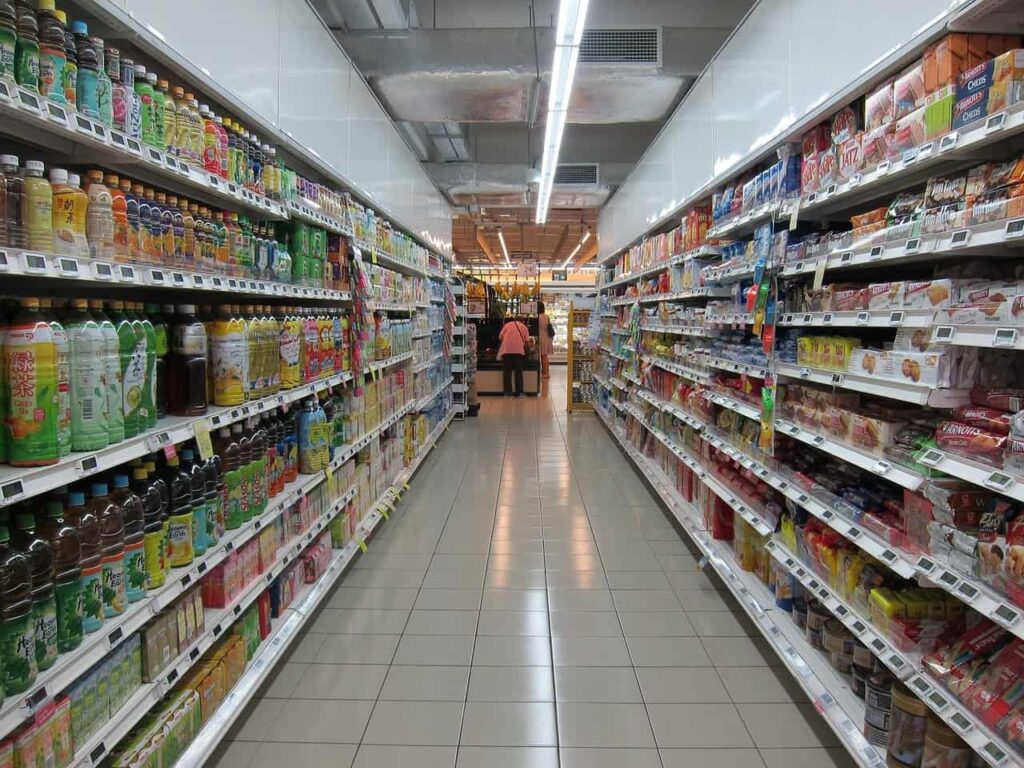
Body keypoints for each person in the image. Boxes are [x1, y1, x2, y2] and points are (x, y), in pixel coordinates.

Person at [497, 315, 530, 397]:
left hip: (506, 351)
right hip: (518, 351)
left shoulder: (507, 325)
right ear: (523, 321)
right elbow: (527, 342)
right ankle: (519, 392)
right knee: (518, 372)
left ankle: (508, 393)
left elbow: (500, 337)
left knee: (507, 372)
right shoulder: (524, 327)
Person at [537, 301, 553, 379]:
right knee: (545, 356)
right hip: (547, 338)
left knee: (539, 356)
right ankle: (546, 373)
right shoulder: (546, 316)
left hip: (540, 338)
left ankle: (541, 373)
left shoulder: (537, 317)